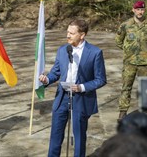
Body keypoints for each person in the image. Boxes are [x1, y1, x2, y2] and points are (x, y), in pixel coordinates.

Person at [39, 19, 107, 157]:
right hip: (62, 97)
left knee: (79, 137)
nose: (68, 35)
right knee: (55, 136)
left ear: (82, 35)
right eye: (67, 32)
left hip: (81, 99)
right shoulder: (63, 50)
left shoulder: (95, 52)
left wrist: (81, 87)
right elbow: (56, 72)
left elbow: (101, 79)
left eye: (72, 33)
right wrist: (47, 79)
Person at [115, 0, 147, 122]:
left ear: (145, 10)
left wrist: (145, 51)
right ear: (133, 10)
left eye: (142, 9)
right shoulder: (125, 25)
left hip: (145, 63)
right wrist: (129, 50)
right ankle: (123, 112)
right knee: (126, 87)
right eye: (138, 9)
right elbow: (118, 41)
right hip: (130, 63)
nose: (140, 12)